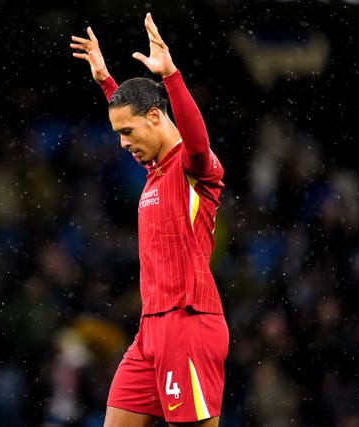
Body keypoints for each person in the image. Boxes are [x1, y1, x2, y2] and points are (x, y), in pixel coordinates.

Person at [70, 13, 229, 427]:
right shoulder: (157, 170)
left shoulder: (195, 169)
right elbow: (138, 110)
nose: (123, 144)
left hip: (188, 324)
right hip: (150, 332)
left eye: (127, 132)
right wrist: (108, 83)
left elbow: (195, 142)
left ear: (156, 118)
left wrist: (172, 75)